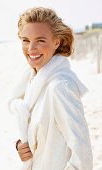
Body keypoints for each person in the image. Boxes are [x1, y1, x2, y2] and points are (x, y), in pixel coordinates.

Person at [12, 7, 93, 170]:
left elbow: (83, 157)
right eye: (26, 40)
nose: (31, 48)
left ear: (57, 42)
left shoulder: (60, 87)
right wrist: (21, 145)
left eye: (40, 40)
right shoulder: (34, 79)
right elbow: (41, 133)